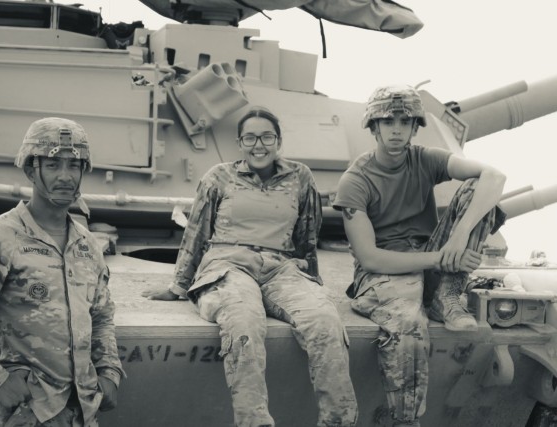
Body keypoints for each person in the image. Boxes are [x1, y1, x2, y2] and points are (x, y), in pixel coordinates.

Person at [142, 106, 358, 427]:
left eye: (267, 136)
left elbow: (308, 235)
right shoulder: (219, 177)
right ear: (240, 143)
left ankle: (339, 421)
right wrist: (178, 286)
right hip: (228, 265)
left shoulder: (300, 177)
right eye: (250, 137)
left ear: (279, 140)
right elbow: (197, 232)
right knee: (243, 321)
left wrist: (311, 283)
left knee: (324, 320)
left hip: (281, 268)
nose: (259, 145)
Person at [0, 117, 125, 427]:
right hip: (25, 411)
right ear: (31, 169)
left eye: (74, 165)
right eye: (52, 165)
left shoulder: (87, 244)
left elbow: (101, 315)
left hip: (82, 411)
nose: (65, 176)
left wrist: (109, 370)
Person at [332, 85, 506, 427]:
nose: (396, 129)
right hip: (385, 274)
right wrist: (441, 259)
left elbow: (495, 176)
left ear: (415, 128)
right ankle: (406, 421)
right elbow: (370, 259)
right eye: (387, 121)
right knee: (409, 325)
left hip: (431, 258)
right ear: (373, 127)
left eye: (405, 121)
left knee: (481, 191)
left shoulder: (424, 158)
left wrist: (457, 238)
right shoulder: (355, 180)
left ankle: (447, 295)